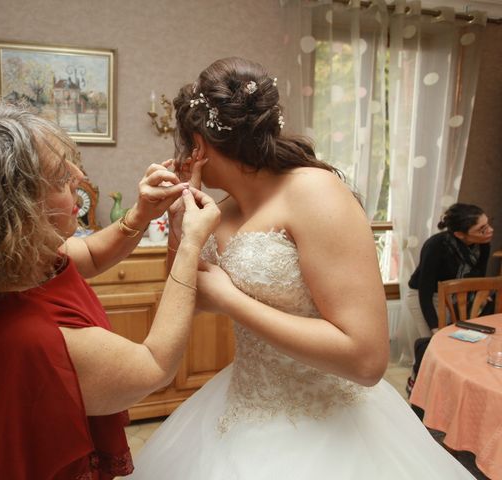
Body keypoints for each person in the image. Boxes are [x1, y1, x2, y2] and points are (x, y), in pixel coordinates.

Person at [127, 57, 475, 479]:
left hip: (326, 419)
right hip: (245, 400)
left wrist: (232, 301)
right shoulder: (222, 210)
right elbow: (191, 297)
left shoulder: (316, 193)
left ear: (198, 144)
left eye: (185, 145)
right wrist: (180, 222)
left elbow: (366, 360)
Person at [0, 103, 220, 479]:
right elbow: (155, 365)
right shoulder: (39, 340)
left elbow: (86, 253)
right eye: (57, 178)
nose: (79, 176)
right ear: (9, 213)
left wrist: (139, 215)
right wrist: (188, 244)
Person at [405, 203, 493, 396]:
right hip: (426, 296)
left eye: (488, 224)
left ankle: (447, 391)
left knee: (456, 346)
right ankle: (416, 385)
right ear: (460, 234)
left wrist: (479, 298)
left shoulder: (483, 245)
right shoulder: (436, 245)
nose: (490, 231)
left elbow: (476, 280)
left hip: (456, 295)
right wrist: (435, 326)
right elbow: (425, 291)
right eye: (482, 229)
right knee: (432, 347)